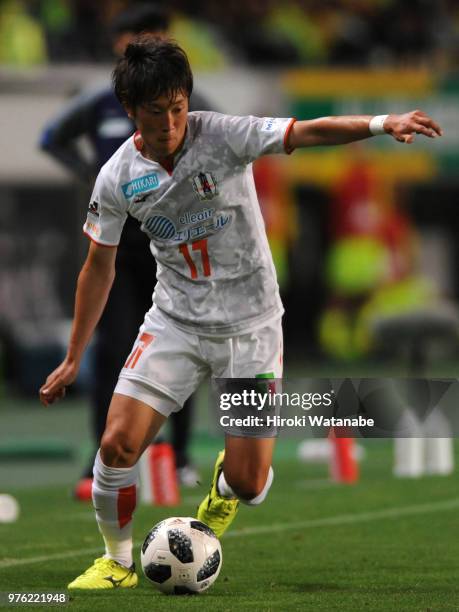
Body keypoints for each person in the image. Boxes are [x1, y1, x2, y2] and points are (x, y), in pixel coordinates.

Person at [39, 37, 442, 590]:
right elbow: (97, 266)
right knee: (116, 444)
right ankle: (117, 560)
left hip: (251, 329)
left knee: (250, 484)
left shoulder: (223, 136)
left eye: (178, 108)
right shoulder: (116, 176)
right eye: (157, 112)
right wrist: (73, 356)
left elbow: (306, 130)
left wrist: (379, 122)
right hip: (174, 323)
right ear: (132, 110)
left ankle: (223, 492)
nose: (171, 122)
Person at [40, 4, 212, 497]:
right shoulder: (98, 106)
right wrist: (93, 180)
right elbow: (50, 138)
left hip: (174, 249)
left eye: (157, 32)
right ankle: (101, 460)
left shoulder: (189, 103)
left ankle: (176, 459)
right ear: (121, 44)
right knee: (114, 349)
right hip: (119, 247)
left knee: (183, 351)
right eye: (137, 34)